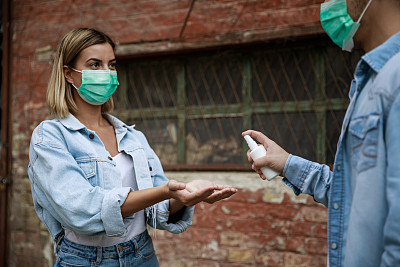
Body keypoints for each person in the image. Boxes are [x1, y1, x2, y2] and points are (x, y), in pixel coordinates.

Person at [28, 28, 237, 266]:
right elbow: (82, 212)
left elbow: (156, 211)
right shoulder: (50, 137)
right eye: (95, 65)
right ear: (68, 74)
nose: (106, 73)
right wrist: (165, 191)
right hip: (85, 260)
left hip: (142, 254)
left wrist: (185, 197)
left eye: (112, 65)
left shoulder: (132, 136)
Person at [243, 0, 400, 266]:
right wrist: (287, 164)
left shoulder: (394, 81)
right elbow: (350, 192)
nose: (330, 4)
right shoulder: (373, 79)